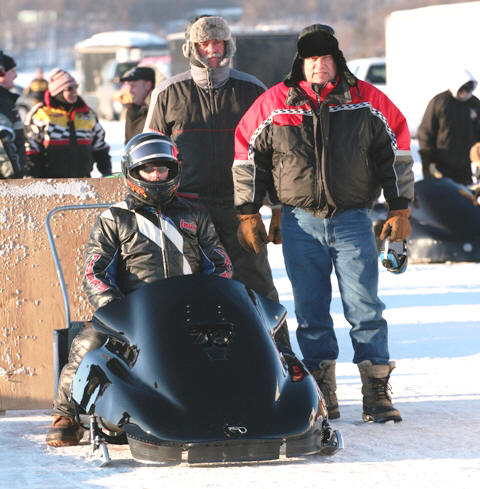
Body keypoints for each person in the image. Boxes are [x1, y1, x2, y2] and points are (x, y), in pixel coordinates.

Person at [232, 24, 415, 423]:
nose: (319, 66)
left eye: (326, 58)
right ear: (301, 62)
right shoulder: (275, 103)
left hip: (353, 220)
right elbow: (247, 154)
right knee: (311, 312)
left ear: (337, 61)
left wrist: (399, 209)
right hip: (300, 223)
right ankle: (320, 393)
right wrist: (250, 211)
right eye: (312, 58)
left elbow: (397, 151)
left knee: (365, 307)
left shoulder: (367, 101)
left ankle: (376, 393)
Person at [46, 132, 233, 447]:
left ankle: (247, 411)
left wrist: (214, 299)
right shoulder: (114, 218)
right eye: (149, 170)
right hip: (132, 314)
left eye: (163, 169)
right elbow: (95, 272)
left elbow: (221, 266)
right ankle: (65, 415)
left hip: (192, 310)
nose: (157, 176)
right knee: (88, 341)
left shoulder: (195, 215)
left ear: (174, 172)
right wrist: (117, 311)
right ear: (133, 173)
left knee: (245, 336)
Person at [144, 15, 290, 349]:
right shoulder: (169, 92)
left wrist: (276, 207)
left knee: (258, 288)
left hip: (243, 209)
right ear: (191, 48)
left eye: (218, 43)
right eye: (205, 44)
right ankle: (184, 361)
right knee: (185, 289)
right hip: (185, 208)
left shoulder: (251, 89)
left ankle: (280, 357)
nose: (212, 50)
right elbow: (150, 153)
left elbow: (276, 152)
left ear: (228, 46)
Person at [24, 67, 112, 178]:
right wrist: (34, 177)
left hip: (83, 181)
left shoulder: (87, 113)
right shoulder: (41, 114)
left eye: (76, 87)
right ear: (58, 91)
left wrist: (106, 170)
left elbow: (100, 145)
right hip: (50, 183)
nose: (75, 91)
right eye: (69, 88)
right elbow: (30, 148)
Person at [418, 69, 480, 185]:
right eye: (463, 89)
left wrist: (479, 161)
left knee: (465, 199)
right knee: (443, 200)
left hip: (464, 167)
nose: (465, 93)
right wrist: (428, 164)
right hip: (440, 166)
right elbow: (425, 134)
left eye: (468, 89)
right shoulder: (440, 102)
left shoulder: (475, 104)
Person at [0, 51, 27, 178]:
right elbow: (3, 140)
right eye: (12, 71)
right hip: (7, 180)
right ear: (1, 73)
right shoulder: (2, 101)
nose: (15, 76)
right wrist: (13, 174)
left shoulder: (6, 99)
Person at [119, 66, 155, 144]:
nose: (130, 91)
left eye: (133, 86)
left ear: (147, 86)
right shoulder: (131, 111)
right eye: (129, 86)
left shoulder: (157, 111)